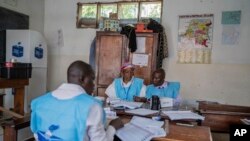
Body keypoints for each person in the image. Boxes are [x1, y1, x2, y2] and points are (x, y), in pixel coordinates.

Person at [30, 60, 123, 141]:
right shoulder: (92, 105)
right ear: (82, 79)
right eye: (92, 79)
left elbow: (38, 135)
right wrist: (112, 127)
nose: (93, 85)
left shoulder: (38, 102)